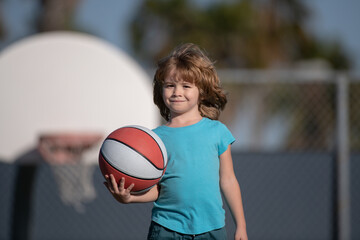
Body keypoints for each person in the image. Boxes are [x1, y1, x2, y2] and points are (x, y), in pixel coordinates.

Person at [104, 43, 248, 240]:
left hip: (212, 228)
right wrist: (129, 198)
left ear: (202, 91)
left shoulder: (218, 132)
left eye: (186, 86)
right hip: (166, 228)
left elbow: (228, 180)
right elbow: (157, 190)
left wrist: (241, 225)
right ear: (161, 90)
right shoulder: (154, 140)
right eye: (170, 85)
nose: (177, 92)